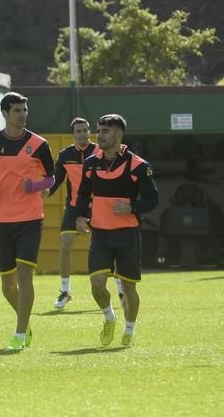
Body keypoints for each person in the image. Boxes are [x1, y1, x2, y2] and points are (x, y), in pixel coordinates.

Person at [0, 92, 55, 351]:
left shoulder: (39, 144)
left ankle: (19, 334)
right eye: (17, 110)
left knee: (25, 276)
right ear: (5, 114)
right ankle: (25, 322)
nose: (22, 115)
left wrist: (35, 184)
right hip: (0, 220)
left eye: (24, 110)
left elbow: (51, 179)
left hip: (30, 219)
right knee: (8, 284)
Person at [75, 114, 158, 347]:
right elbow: (82, 195)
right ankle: (109, 317)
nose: (99, 135)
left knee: (129, 287)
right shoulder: (91, 163)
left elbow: (152, 199)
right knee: (97, 284)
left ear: (119, 135)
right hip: (100, 235)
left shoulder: (138, 165)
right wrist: (80, 217)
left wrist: (132, 206)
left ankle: (129, 329)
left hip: (127, 235)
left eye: (105, 131)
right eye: (99, 130)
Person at [45, 118, 125, 309]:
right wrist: (46, 191)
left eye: (85, 130)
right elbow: (56, 180)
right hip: (74, 207)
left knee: (111, 247)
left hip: (99, 206)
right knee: (65, 244)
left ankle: (121, 290)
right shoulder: (65, 155)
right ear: (73, 134)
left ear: (91, 132)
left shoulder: (101, 151)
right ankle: (65, 291)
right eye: (78, 131)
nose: (82, 134)